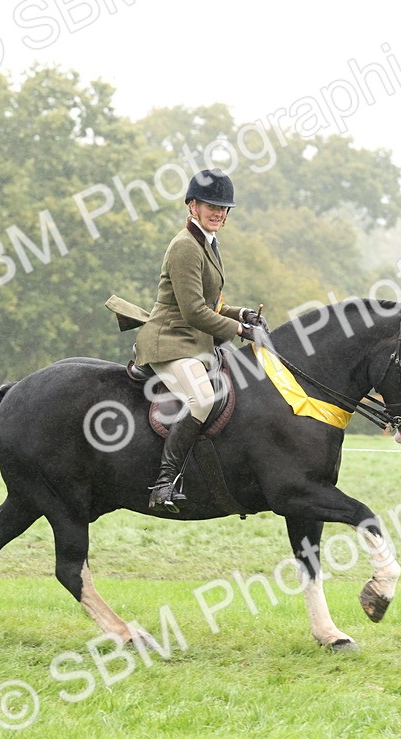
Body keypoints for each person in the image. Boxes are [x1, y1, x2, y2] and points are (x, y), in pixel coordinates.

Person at [133, 169, 263, 512]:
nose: (218, 212)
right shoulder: (185, 247)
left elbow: (211, 304)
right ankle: (164, 483)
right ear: (193, 205)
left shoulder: (207, 242)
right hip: (171, 340)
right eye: (211, 205)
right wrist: (237, 331)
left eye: (223, 207)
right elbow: (192, 311)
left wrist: (242, 314)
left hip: (195, 340)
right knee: (203, 399)